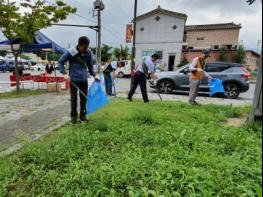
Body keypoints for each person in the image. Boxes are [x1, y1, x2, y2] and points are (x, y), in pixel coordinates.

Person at [59, 36, 97, 124]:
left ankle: (83, 116)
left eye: (87, 47)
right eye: (84, 47)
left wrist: (94, 75)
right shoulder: (71, 51)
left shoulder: (88, 52)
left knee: (84, 99)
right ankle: (73, 117)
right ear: (79, 45)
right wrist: (64, 73)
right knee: (74, 100)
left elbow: (90, 65)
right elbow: (60, 61)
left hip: (84, 79)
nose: (86, 49)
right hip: (73, 80)